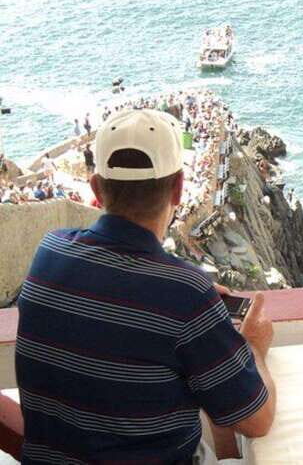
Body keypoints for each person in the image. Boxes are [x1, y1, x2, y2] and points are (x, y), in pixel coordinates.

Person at [16, 109, 276, 464]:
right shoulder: (185, 294)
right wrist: (254, 347)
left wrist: (191, 303)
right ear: (178, 188)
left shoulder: (50, 251)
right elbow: (258, 421)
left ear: (96, 188)